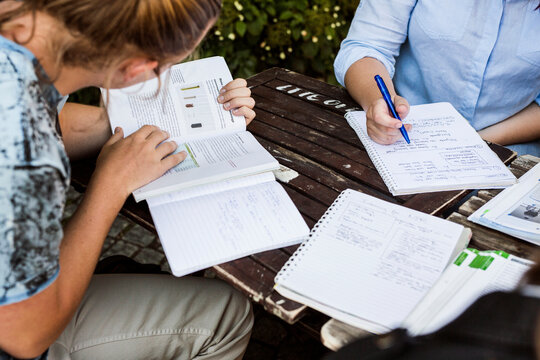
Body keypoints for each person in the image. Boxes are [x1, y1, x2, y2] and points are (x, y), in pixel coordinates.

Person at [0, 0, 256, 359]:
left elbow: (52, 117)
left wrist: (140, 125)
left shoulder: (22, 35)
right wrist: (111, 185)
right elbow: (24, 335)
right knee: (227, 315)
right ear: (135, 68)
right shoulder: (21, 141)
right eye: (165, 69)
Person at [334, 0, 540, 156]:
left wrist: (477, 141)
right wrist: (376, 101)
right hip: (403, 142)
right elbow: (367, 46)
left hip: (510, 155)